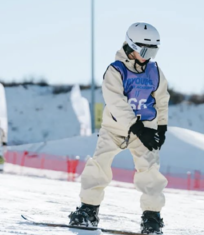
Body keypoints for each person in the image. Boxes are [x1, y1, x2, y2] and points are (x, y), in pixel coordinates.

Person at [69, 22, 170, 234]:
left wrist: (161, 127)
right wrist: (136, 127)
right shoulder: (116, 71)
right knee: (99, 165)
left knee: (150, 170)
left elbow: (161, 100)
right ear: (131, 46)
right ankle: (88, 210)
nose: (148, 56)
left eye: (153, 51)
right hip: (115, 129)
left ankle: (152, 217)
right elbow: (116, 103)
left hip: (146, 130)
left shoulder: (155, 72)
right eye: (145, 51)